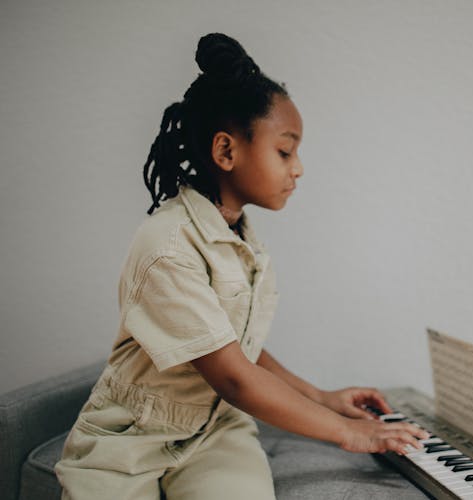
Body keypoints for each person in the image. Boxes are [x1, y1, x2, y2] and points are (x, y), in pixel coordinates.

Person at [54, 32, 427, 500]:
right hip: (133, 438)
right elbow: (233, 375)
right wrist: (347, 432)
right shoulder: (168, 244)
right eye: (285, 151)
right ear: (227, 152)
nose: (299, 169)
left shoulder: (241, 239)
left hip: (215, 431)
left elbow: (238, 350)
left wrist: (321, 397)